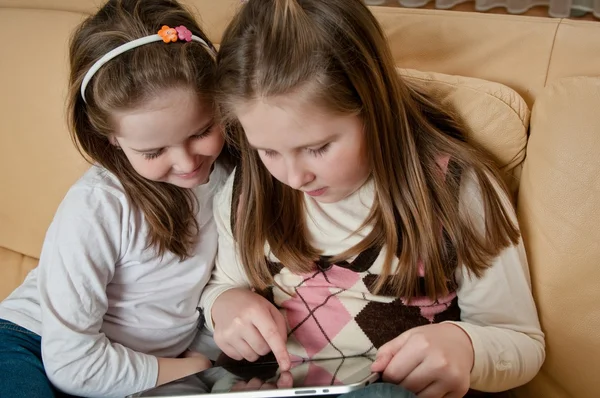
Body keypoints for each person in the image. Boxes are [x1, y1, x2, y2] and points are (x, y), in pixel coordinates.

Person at [200, 0, 545, 397]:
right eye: (269, 151)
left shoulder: (455, 191)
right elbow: (221, 284)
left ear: (373, 107)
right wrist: (223, 305)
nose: (294, 176)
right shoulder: (250, 188)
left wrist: (466, 347)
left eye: (318, 147)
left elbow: (521, 342)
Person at [0, 0, 233, 397]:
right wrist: (194, 366)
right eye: (154, 152)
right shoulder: (97, 207)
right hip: (35, 346)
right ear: (111, 138)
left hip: (145, 368)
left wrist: (202, 361)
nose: (186, 162)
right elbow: (72, 362)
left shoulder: (234, 177)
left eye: (201, 131)